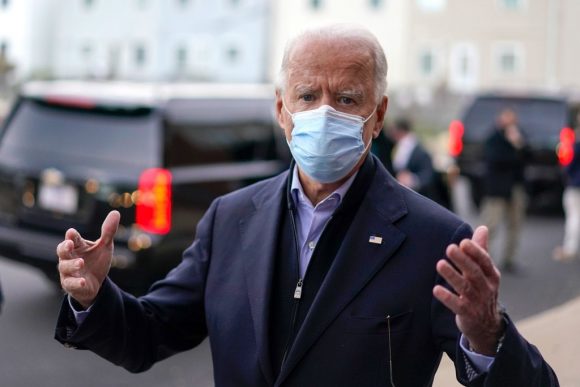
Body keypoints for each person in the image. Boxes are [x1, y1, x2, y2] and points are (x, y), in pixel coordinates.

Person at [54, 25, 558, 386]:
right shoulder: (230, 220)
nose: (323, 113)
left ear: (378, 115)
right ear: (281, 109)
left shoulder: (434, 238)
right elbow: (150, 335)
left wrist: (488, 335)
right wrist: (94, 297)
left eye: (346, 99)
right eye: (307, 95)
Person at [480, 108, 528, 273]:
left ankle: (509, 259)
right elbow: (496, 159)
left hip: (515, 187)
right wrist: (512, 148)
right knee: (490, 225)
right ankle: (483, 259)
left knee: (515, 224)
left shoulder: (519, 136)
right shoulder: (494, 138)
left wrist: (518, 143)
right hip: (497, 189)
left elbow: (527, 157)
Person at [388, 117, 450, 207]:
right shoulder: (399, 146)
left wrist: (413, 179)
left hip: (417, 196)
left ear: (400, 131)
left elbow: (428, 175)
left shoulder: (419, 150)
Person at [553, 113, 580, 262]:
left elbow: (569, 164)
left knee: (574, 216)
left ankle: (570, 247)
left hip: (576, 184)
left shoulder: (576, 143)